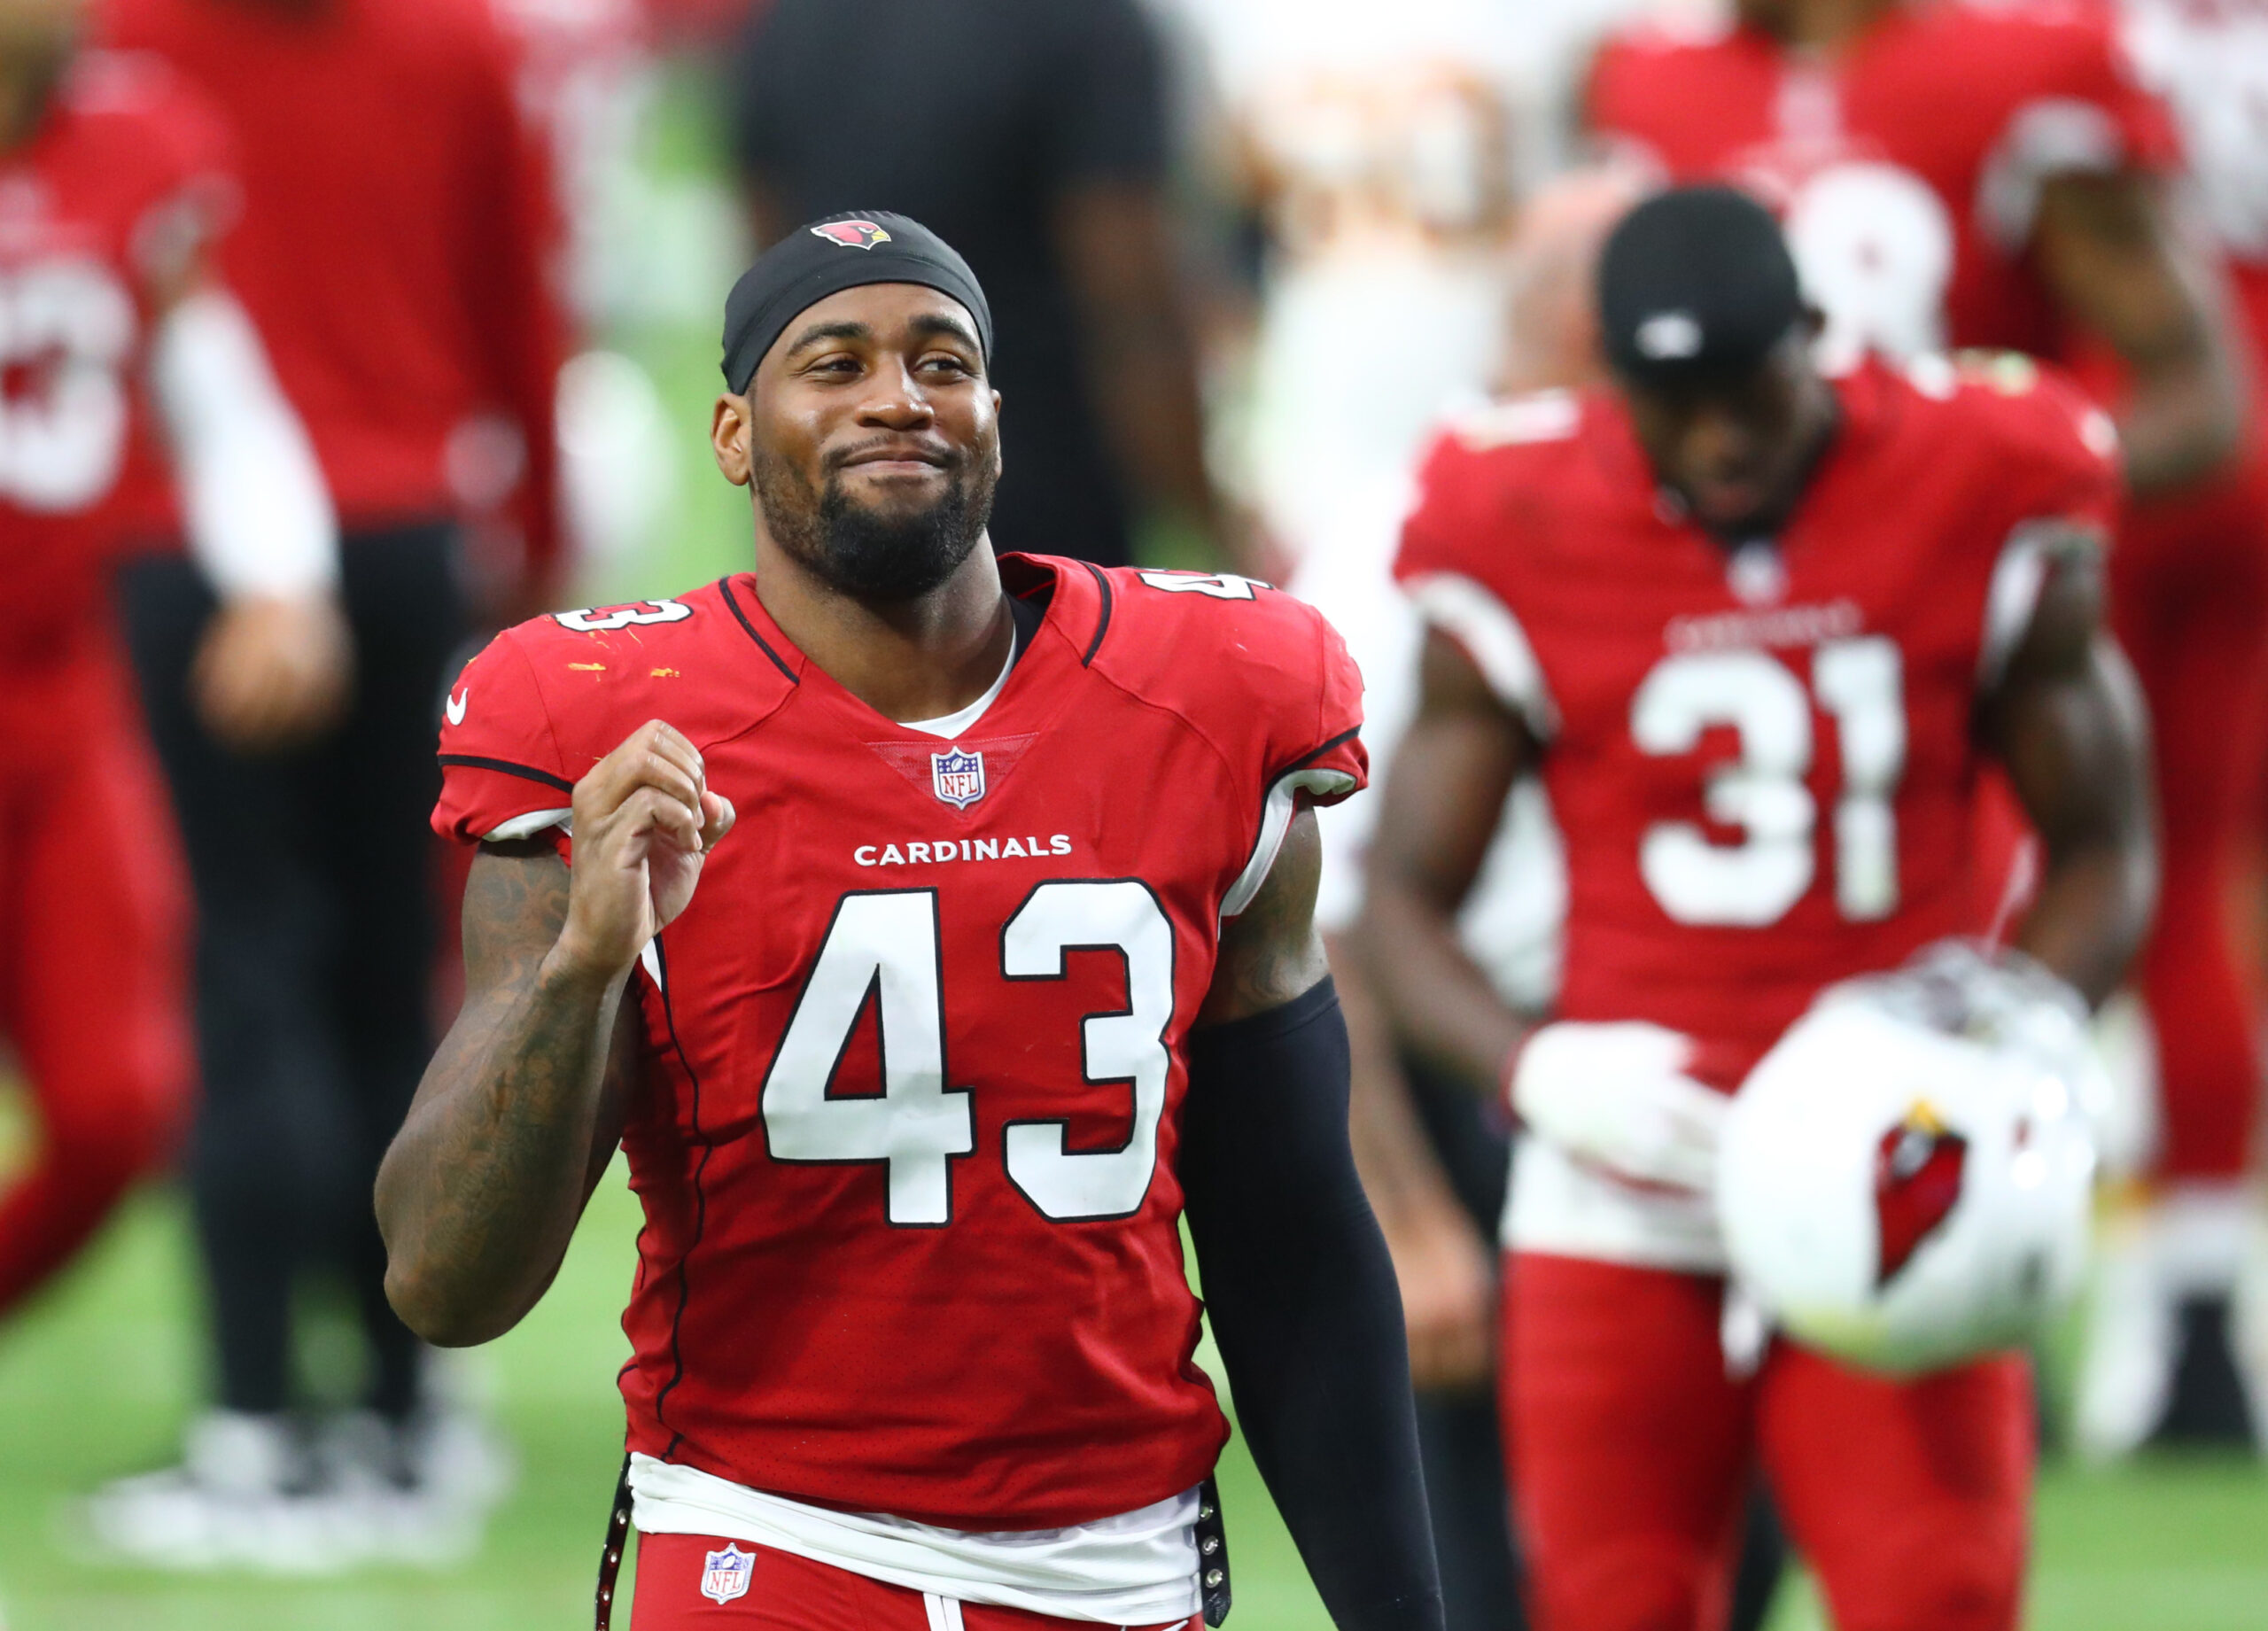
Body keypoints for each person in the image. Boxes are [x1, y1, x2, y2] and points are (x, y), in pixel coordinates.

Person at [377, 212, 1444, 1631]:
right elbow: (444, 1280)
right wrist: (583, 963)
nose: (898, 394)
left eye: (943, 360)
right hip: (770, 1539)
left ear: (994, 417)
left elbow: (1294, 1231)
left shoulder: (1216, 693)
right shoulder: (598, 722)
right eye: (835, 360)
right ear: (735, 435)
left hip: (1122, 1563)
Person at [1363, 187, 2155, 1631]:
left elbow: (2109, 846)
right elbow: (1399, 903)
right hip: (1628, 1170)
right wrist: (1536, 1066)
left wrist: (2000, 1041)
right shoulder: (1517, 506)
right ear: (1607, 381)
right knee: (1614, 1602)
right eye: (1675, 404)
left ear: (1815, 340)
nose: (1720, 441)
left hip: (1899, 1157)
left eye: (1749, 393)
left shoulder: (1980, 467)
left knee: (1940, 1592)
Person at [1586, 0, 2268, 1453]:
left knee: (2054, 918)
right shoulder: (1653, 73)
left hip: (1954, 638)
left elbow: (2196, 391)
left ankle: (2144, 1300)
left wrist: (1977, 519)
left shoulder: (2019, 63)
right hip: (1714, 618)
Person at [89, 0, 567, 1567]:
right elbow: (524, 303)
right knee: (392, 972)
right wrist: (542, 539)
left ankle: (252, 1425)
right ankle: (402, 1411)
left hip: (191, 549)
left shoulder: (121, 42)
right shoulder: (466, 42)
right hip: (411, 532)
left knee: (243, 971)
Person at [0, 0, 330, 1316]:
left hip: (58, 677)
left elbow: (208, 372)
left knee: (117, 1106)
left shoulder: (139, 136)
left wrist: (279, 578)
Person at [725, 0, 1233, 572]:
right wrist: (1215, 524)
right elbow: (1133, 309)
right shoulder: (1089, 23)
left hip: (840, 524)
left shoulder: (789, 23)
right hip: (1040, 536)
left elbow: (770, 287)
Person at [2070, 0, 2268, 1455]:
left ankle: (1965, 1270)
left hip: (2117, 423)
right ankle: (2197, 1314)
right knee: (2197, 876)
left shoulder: (2058, 35)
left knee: (2037, 858)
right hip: (2247, 415)